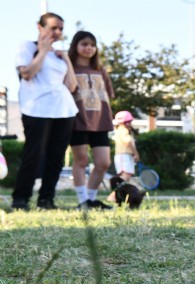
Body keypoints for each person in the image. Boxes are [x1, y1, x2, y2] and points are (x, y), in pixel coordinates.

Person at [11, 12, 78, 211]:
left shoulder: (59, 55)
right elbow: (27, 73)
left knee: (56, 157)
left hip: (64, 110)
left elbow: (72, 87)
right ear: (40, 27)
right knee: (33, 154)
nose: (57, 32)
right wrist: (42, 51)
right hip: (36, 109)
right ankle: (20, 199)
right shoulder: (27, 47)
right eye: (53, 28)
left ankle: (46, 200)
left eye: (61, 29)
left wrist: (67, 60)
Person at [68, 31, 114, 210]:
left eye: (92, 45)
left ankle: (91, 199)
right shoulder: (70, 68)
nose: (89, 48)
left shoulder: (100, 69)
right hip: (77, 120)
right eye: (84, 44)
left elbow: (108, 94)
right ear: (76, 46)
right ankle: (82, 201)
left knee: (103, 163)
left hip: (100, 121)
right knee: (81, 161)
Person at [112, 111, 140, 182]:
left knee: (127, 176)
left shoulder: (123, 131)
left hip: (126, 155)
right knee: (125, 176)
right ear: (126, 122)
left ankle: (122, 191)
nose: (130, 124)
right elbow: (128, 142)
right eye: (129, 121)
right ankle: (115, 187)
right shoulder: (123, 130)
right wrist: (135, 153)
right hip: (123, 155)